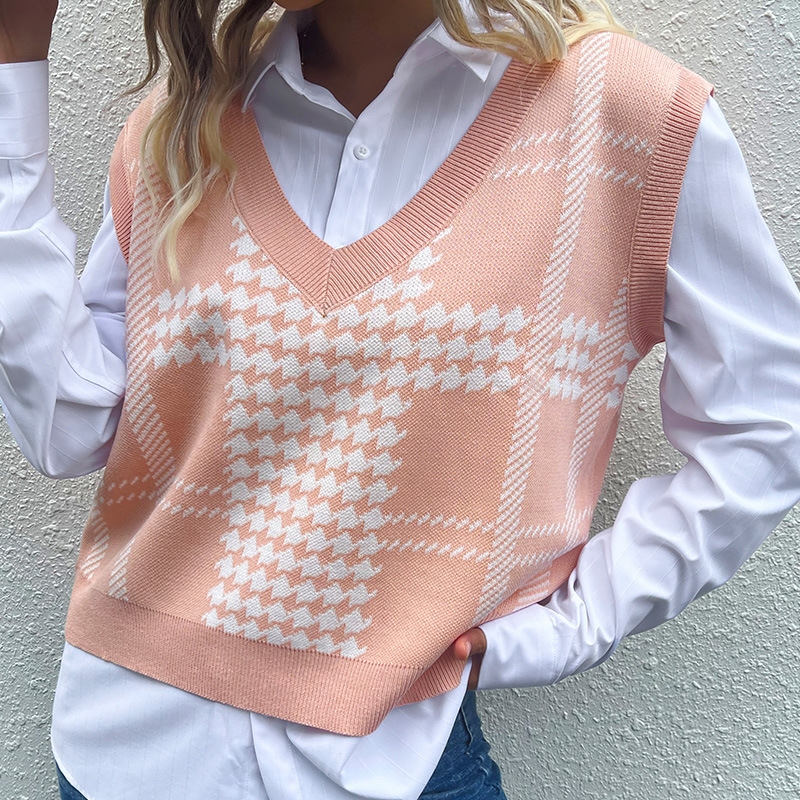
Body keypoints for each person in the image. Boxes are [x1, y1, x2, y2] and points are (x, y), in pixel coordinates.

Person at [0, 0, 798, 798]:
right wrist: (13, 62)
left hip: (394, 760)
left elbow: (766, 424)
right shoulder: (183, 122)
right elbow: (70, 427)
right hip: (122, 748)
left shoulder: (625, 117)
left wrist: (575, 625)